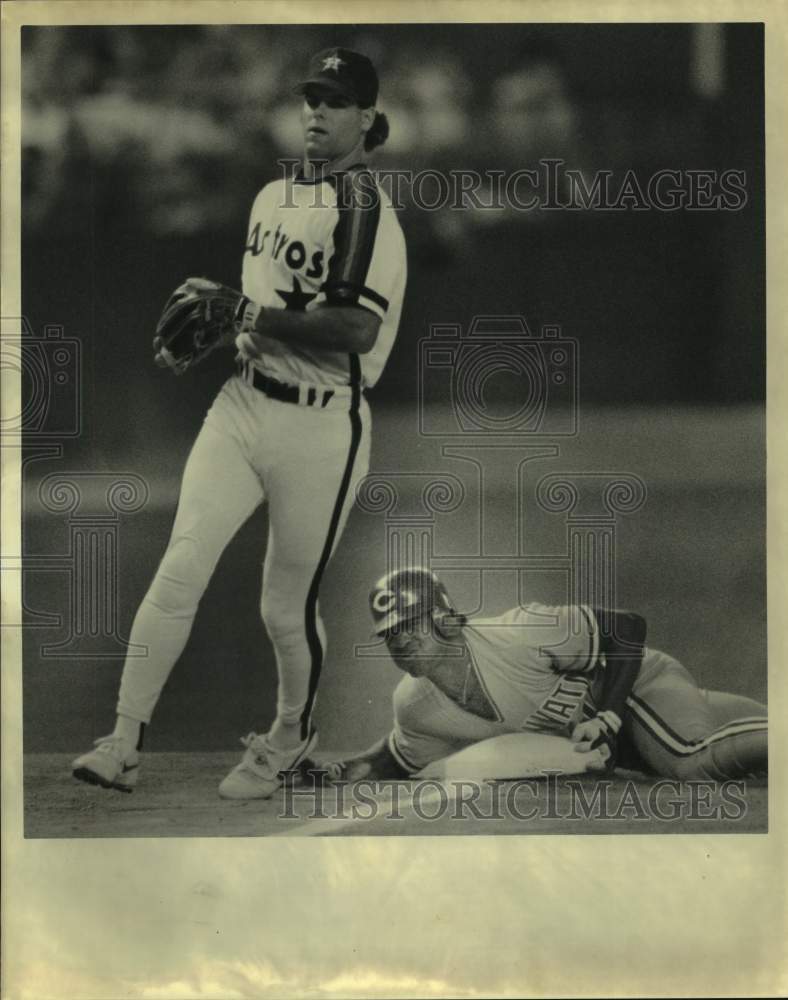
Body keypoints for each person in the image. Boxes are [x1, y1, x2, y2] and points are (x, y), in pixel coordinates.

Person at [72, 48, 407, 799]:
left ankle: (290, 738)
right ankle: (122, 741)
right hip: (242, 405)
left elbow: (353, 329)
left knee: (283, 608)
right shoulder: (269, 198)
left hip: (321, 431)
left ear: (366, 119)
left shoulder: (368, 212)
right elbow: (257, 313)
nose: (316, 111)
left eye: (335, 100)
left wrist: (249, 313)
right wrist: (228, 325)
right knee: (180, 566)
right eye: (311, 97)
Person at [309, 567, 767, 782]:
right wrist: (330, 772)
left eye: (412, 624)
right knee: (739, 732)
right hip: (628, 739)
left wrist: (606, 715)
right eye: (391, 634)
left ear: (448, 620)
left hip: (638, 687)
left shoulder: (519, 632)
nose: (402, 640)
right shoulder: (414, 703)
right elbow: (395, 757)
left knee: (688, 760)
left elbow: (626, 627)